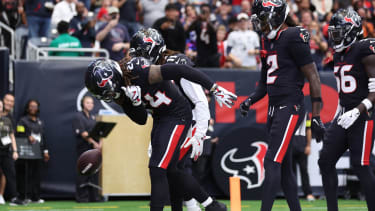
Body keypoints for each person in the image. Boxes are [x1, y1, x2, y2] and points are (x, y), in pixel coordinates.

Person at [85, 58, 236, 211]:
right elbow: (141, 119)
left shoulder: (137, 71)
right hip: (161, 118)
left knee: (157, 168)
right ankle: (213, 206)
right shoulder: (121, 91)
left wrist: (213, 87)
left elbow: (180, 70)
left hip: (177, 114)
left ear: (114, 76)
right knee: (171, 170)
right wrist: (136, 103)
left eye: (110, 90)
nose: (112, 95)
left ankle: (209, 205)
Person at [239, 0, 325, 210]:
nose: (261, 25)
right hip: (274, 108)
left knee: (271, 161)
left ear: (277, 17)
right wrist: (250, 100)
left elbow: (314, 77)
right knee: (284, 167)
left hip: (290, 106)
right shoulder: (267, 40)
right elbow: (264, 83)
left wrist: (316, 116)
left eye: (263, 20)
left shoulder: (294, 36)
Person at [129, 28, 220, 211]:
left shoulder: (176, 61)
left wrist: (199, 133)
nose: (137, 58)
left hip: (187, 122)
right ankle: (207, 205)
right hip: (168, 121)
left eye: (140, 52)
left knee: (171, 169)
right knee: (171, 171)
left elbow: (200, 101)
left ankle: (208, 205)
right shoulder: (148, 70)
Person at [319, 9, 375, 211]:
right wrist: (337, 115)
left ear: (352, 30)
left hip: (364, 114)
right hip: (345, 114)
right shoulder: (339, 54)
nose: (335, 37)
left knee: (361, 165)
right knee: (325, 161)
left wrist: (357, 111)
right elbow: (343, 93)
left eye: (339, 32)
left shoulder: (365, 48)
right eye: (333, 33)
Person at [16, 99, 49, 204]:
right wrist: (27, 137)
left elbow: (43, 137)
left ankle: (36, 197)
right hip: (26, 152)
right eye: (31, 106)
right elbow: (18, 133)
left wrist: (45, 151)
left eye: (35, 106)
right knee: (26, 175)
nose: (33, 108)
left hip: (38, 152)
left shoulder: (40, 121)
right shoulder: (23, 120)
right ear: (27, 108)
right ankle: (25, 196)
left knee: (37, 175)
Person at [72, 95, 102, 203]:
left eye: (91, 103)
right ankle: (82, 197)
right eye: (87, 102)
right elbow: (84, 134)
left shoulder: (93, 117)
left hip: (94, 150)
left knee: (94, 172)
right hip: (83, 148)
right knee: (83, 172)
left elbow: (99, 133)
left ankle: (94, 197)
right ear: (83, 104)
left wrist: (100, 143)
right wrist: (94, 143)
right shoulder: (78, 116)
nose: (90, 105)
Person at [0, 100, 24, 206]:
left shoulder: (7, 120)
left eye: (0, 106)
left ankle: (14, 197)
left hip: (6, 152)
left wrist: (15, 150)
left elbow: (12, 136)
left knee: (11, 174)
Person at [291, 113, 315, 201]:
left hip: (302, 147)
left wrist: (308, 145)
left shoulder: (304, 114)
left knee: (304, 170)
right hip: (289, 148)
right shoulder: (286, 111)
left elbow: (308, 130)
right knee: (290, 173)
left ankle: (308, 193)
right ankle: (292, 194)